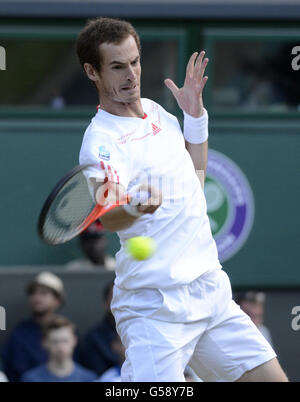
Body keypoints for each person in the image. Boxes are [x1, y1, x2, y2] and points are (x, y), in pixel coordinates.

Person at [76, 17, 288, 382]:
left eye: (135, 61)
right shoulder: (99, 146)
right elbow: (108, 219)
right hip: (155, 307)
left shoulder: (157, 111)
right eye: (117, 66)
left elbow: (196, 177)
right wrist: (137, 206)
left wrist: (194, 116)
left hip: (210, 289)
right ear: (92, 71)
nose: (131, 74)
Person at [1, 271, 65, 382]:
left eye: (44, 293)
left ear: (57, 301)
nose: (37, 298)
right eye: (33, 293)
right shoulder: (19, 333)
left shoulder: (67, 331)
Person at [21, 315, 97, 382]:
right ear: (45, 343)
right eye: (55, 342)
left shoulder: (89, 379)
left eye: (65, 341)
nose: (60, 347)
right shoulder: (30, 379)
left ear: (74, 341)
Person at [79, 281, 120, 375]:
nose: (120, 302)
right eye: (114, 297)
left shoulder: (143, 332)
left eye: (124, 297)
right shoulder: (93, 338)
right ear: (105, 303)